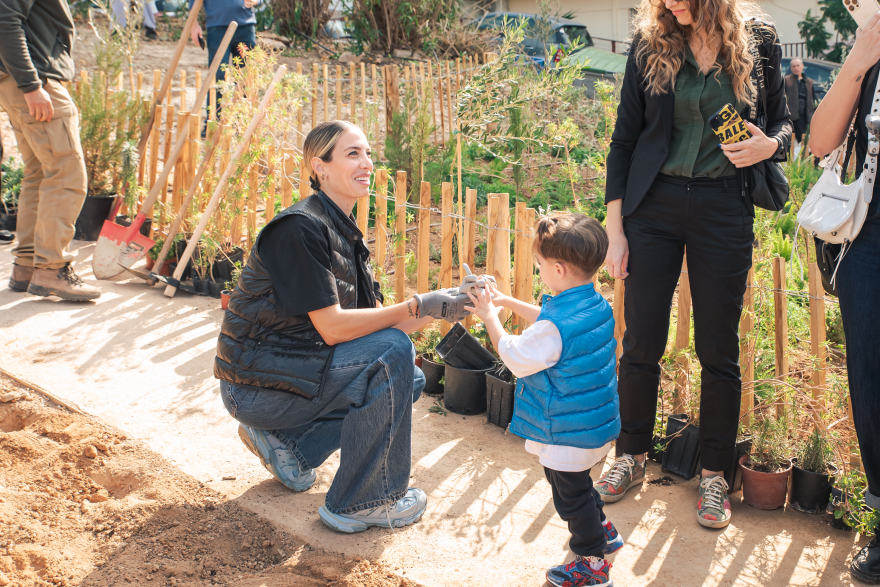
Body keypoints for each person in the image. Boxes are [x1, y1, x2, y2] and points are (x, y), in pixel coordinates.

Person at [215, 120, 478, 533]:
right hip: (255, 387)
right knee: (393, 354)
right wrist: (417, 303)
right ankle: (363, 501)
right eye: (353, 154)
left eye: (368, 153)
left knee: (405, 376)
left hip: (293, 374)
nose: (367, 163)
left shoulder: (344, 234)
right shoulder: (300, 228)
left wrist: (446, 305)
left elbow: (383, 329)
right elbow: (336, 329)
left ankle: (291, 449)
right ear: (319, 167)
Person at [598, 0, 790, 529]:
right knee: (640, 341)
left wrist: (769, 145)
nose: (668, 4)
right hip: (652, 209)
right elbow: (623, 141)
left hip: (723, 208)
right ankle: (631, 455)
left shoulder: (760, 42)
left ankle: (713, 476)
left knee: (718, 349)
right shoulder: (650, 42)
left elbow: (787, 126)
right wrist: (615, 230)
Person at [465, 213, 622, 587]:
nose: (539, 272)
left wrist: (490, 316)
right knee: (580, 487)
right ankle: (604, 530)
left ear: (559, 268)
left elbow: (517, 356)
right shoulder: (592, 303)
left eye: (539, 267)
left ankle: (592, 563)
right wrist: (507, 301)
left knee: (571, 500)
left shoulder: (556, 323)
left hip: (566, 429)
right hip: (591, 424)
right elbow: (549, 321)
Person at [809, 12, 880, 585]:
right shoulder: (872, 52)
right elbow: (821, 141)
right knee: (872, 383)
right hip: (873, 239)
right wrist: (859, 57)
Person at [0, 0, 101, 301]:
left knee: (40, 172)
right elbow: (5, 19)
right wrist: (31, 85)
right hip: (33, 78)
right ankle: (53, 269)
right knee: (66, 173)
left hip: (19, 78)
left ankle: (28, 265)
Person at [188, 0, 259, 124]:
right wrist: (193, 25)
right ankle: (213, 122)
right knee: (218, 75)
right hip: (217, 27)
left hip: (246, 26)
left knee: (245, 76)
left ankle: (242, 124)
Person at [785, 58, 815, 152]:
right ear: (791, 68)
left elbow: (812, 98)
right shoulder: (787, 80)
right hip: (792, 115)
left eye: (798, 65)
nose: (796, 68)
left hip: (804, 116)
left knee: (804, 141)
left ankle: (803, 160)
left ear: (802, 66)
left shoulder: (809, 81)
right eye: (794, 66)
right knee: (791, 141)